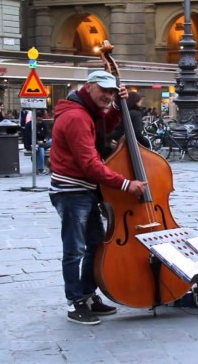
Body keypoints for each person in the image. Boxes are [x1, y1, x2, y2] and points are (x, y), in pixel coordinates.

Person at [49, 70, 147, 326]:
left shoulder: (87, 111)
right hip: (71, 191)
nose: (108, 95)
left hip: (85, 189)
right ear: (89, 86)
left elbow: (105, 126)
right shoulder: (76, 117)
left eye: (112, 91)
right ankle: (75, 303)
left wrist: (116, 106)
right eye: (104, 90)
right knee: (74, 249)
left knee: (95, 244)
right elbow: (90, 165)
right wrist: (126, 183)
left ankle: (89, 295)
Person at [105, 91, 150, 158]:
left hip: (116, 145)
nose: (141, 103)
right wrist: (147, 143)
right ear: (135, 101)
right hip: (128, 147)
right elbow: (137, 134)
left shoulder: (123, 112)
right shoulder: (135, 114)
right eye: (140, 101)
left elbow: (118, 130)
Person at [24, 110, 51, 175]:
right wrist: (37, 142)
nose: (39, 121)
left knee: (53, 141)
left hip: (43, 142)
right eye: (38, 120)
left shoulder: (43, 124)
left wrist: (43, 141)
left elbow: (47, 134)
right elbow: (28, 137)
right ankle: (41, 169)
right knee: (41, 150)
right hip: (33, 144)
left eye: (40, 120)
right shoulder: (29, 125)